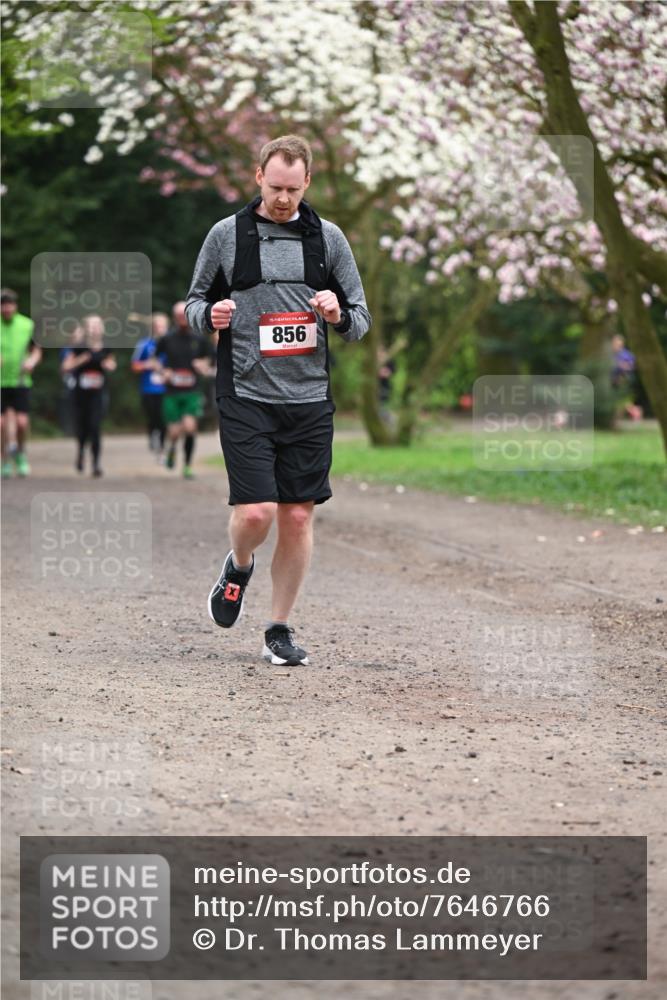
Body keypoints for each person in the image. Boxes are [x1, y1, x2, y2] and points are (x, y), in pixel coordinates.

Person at [185, 134, 371, 666]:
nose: (284, 198)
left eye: (293, 188)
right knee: (256, 513)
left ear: (307, 182)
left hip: (309, 399)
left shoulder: (328, 240)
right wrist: (210, 315)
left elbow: (360, 320)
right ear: (259, 178)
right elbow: (194, 303)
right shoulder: (227, 235)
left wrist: (337, 314)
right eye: (275, 187)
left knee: (297, 518)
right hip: (246, 394)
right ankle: (238, 565)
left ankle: (278, 629)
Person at [158, 301, 214, 479]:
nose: (182, 319)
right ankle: (172, 449)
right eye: (179, 316)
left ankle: (188, 465)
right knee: (174, 432)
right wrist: (163, 371)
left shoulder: (199, 339)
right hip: (172, 391)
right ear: (174, 317)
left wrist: (203, 365)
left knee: (190, 428)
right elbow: (154, 360)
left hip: (192, 390)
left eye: (184, 315)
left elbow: (210, 359)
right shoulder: (166, 339)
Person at [61, 314, 116, 476]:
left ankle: (96, 463)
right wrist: (82, 359)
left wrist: (108, 364)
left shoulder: (106, 347)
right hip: (80, 395)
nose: (95, 329)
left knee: (95, 427)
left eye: (97, 325)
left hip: (98, 394)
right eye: (91, 326)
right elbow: (66, 366)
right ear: (86, 329)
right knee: (82, 427)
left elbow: (112, 364)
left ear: (102, 328)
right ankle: (80, 452)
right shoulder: (78, 347)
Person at [1, 288, 42, 478]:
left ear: (15, 306)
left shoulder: (27, 325)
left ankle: (20, 454)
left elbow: (36, 350)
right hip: (1, 381)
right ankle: (4, 459)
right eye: (3, 305)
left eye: (9, 304)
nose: (6, 308)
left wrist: (31, 361)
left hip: (20, 380)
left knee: (22, 423)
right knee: (1, 424)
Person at [131, 312, 168, 459]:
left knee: (164, 418)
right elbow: (134, 366)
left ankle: (162, 447)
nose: (161, 329)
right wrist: (147, 365)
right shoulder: (144, 344)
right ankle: (153, 434)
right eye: (158, 326)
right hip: (148, 388)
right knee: (153, 417)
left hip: (166, 388)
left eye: (163, 326)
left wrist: (165, 371)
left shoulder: (171, 344)